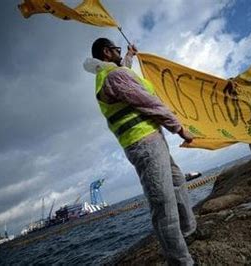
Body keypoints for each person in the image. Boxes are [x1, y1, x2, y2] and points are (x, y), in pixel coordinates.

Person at [83, 38, 197, 265]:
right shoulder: (114, 77)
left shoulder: (111, 74)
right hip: (144, 144)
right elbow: (149, 102)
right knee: (163, 204)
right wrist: (179, 128)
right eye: (116, 49)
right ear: (106, 52)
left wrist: (130, 55)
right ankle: (180, 261)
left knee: (177, 182)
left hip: (150, 140)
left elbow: (123, 69)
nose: (119, 52)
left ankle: (189, 232)